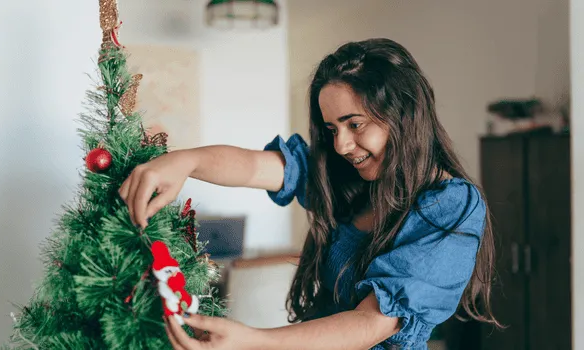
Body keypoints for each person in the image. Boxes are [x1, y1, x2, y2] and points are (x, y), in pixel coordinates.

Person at [118, 38, 500, 350]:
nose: (342, 145)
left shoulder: (452, 206)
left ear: (405, 114)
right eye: (333, 129)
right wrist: (184, 162)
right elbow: (255, 167)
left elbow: (372, 322)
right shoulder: (346, 179)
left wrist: (253, 340)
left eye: (355, 124)